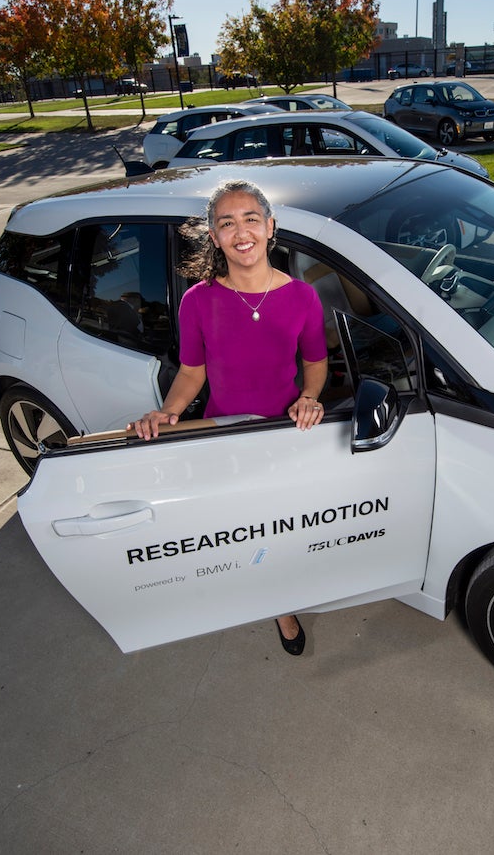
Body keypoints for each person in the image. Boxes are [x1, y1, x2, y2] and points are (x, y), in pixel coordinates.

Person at [129, 180, 328, 656]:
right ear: (214, 237)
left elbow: (316, 363)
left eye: (251, 219)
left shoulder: (302, 297)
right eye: (227, 223)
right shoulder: (198, 300)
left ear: (270, 227)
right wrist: (168, 412)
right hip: (225, 440)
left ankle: (280, 596)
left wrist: (310, 396)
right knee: (242, 530)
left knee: (282, 530)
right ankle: (276, 605)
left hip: (284, 436)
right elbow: (193, 374)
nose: (241, 232)